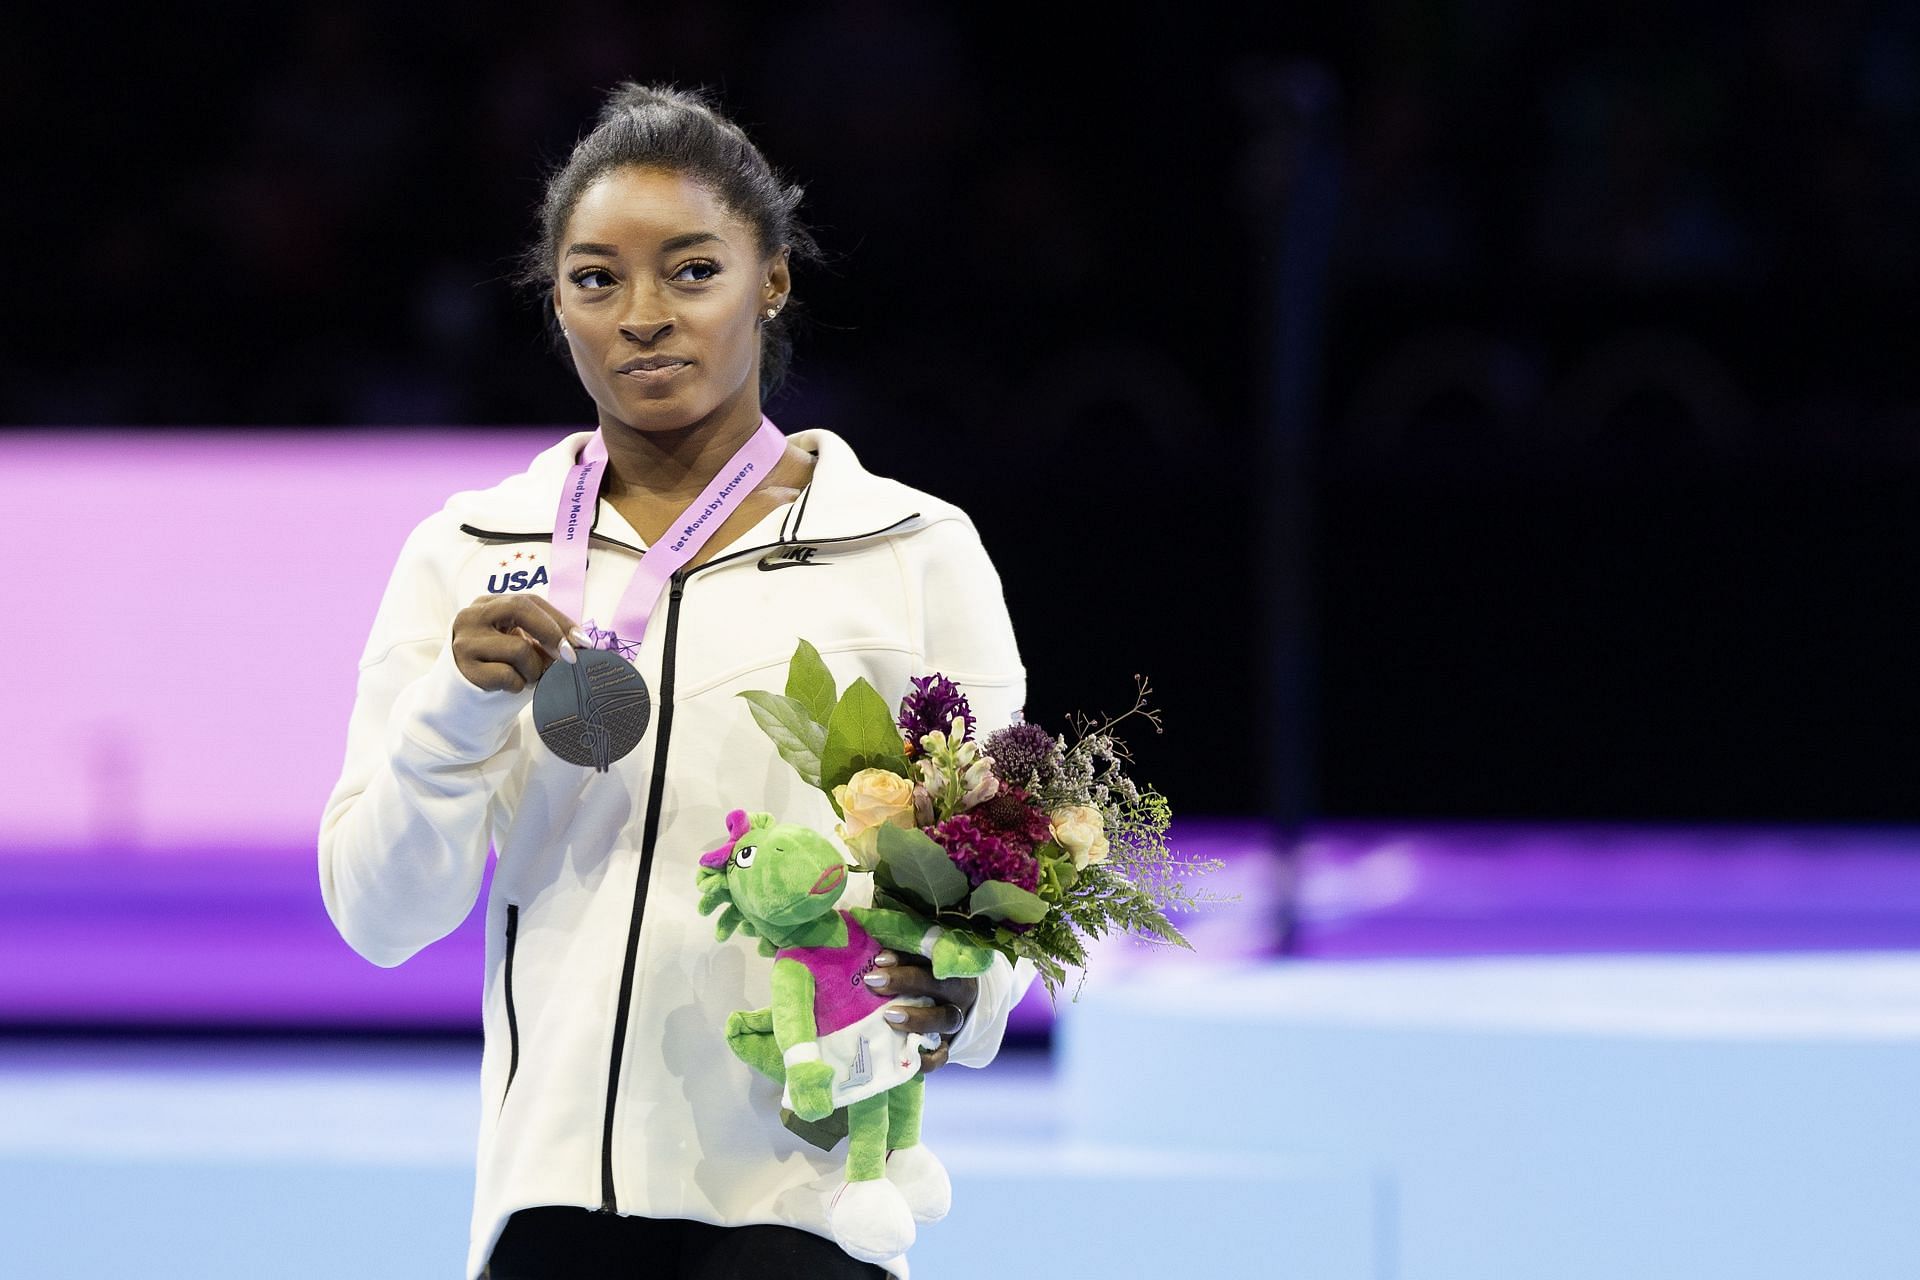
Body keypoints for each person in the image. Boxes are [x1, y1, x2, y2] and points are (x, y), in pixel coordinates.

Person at [318, 83, 1030, 1280]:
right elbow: (380, 918)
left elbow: (1005, 880)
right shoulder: (469, 551)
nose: (643, 314)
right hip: (553, 1202)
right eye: (597, 278)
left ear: (773, 280)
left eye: (692, 270)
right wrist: (452, 713)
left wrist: (954, 995)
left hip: (804, 1204)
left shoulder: (909, 550)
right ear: (557, 303)